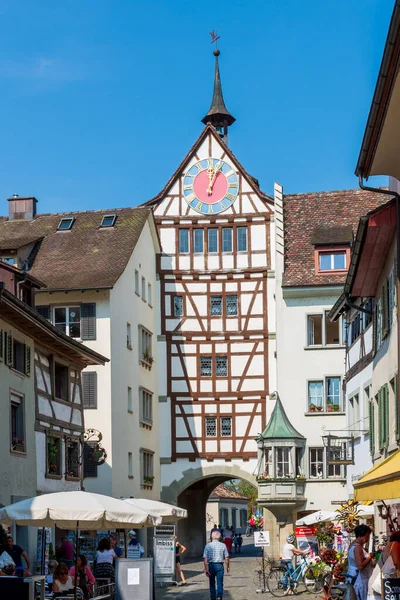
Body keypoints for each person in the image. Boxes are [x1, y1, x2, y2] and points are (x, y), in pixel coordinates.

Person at [347, 524, 375, 600]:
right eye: (368, 535)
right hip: (359, 579)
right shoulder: (357, 547)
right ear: (365, 535)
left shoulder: (353, 544)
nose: (368, 538)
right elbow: (360, 566)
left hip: (354, 577)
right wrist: (369, 557)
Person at [203, 530, 230, 600]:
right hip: (220, 565)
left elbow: (205, 559)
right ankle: (219, 596)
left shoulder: (208, 545)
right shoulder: (223, 545)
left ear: (212, 537)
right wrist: (228, 567)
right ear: (219, 537)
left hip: (211, 565)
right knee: (220, 582)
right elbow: (226, 558)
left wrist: (206, 569)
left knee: (212, 583)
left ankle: (213, 597)